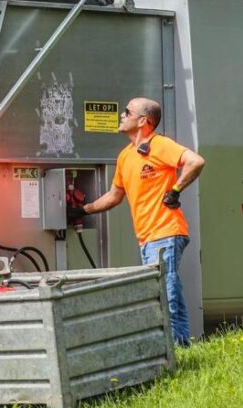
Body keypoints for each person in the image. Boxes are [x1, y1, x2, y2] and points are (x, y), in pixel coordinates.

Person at [68, 97, 204, 346]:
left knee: (165, 294)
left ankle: (172, 352)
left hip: (166, 232)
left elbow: (196, 162)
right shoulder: (125, 156)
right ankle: (182, 348)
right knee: (169, 291)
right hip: (148, 237)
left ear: (143, 121)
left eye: (127, 111)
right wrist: (82, 210)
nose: (122, 114)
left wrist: (175, 190)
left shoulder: (160, 145)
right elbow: (114, 196)